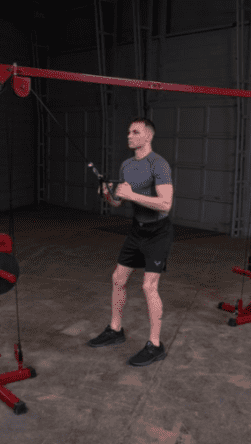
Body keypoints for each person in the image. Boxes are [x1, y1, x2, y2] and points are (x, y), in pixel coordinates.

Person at [89, 118, 175, 367]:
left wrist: (131, 194)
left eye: (135, 132)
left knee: (149, 287)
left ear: (147, 136)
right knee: (118, 279)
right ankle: (115, 330)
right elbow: (119, 202)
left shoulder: (159, 164)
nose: (129, 135)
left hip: (158, 232)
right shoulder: (127, 165)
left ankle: (155, 345)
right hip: (137, 230)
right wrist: (108, 195)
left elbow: (165, 204)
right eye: (128, 131)